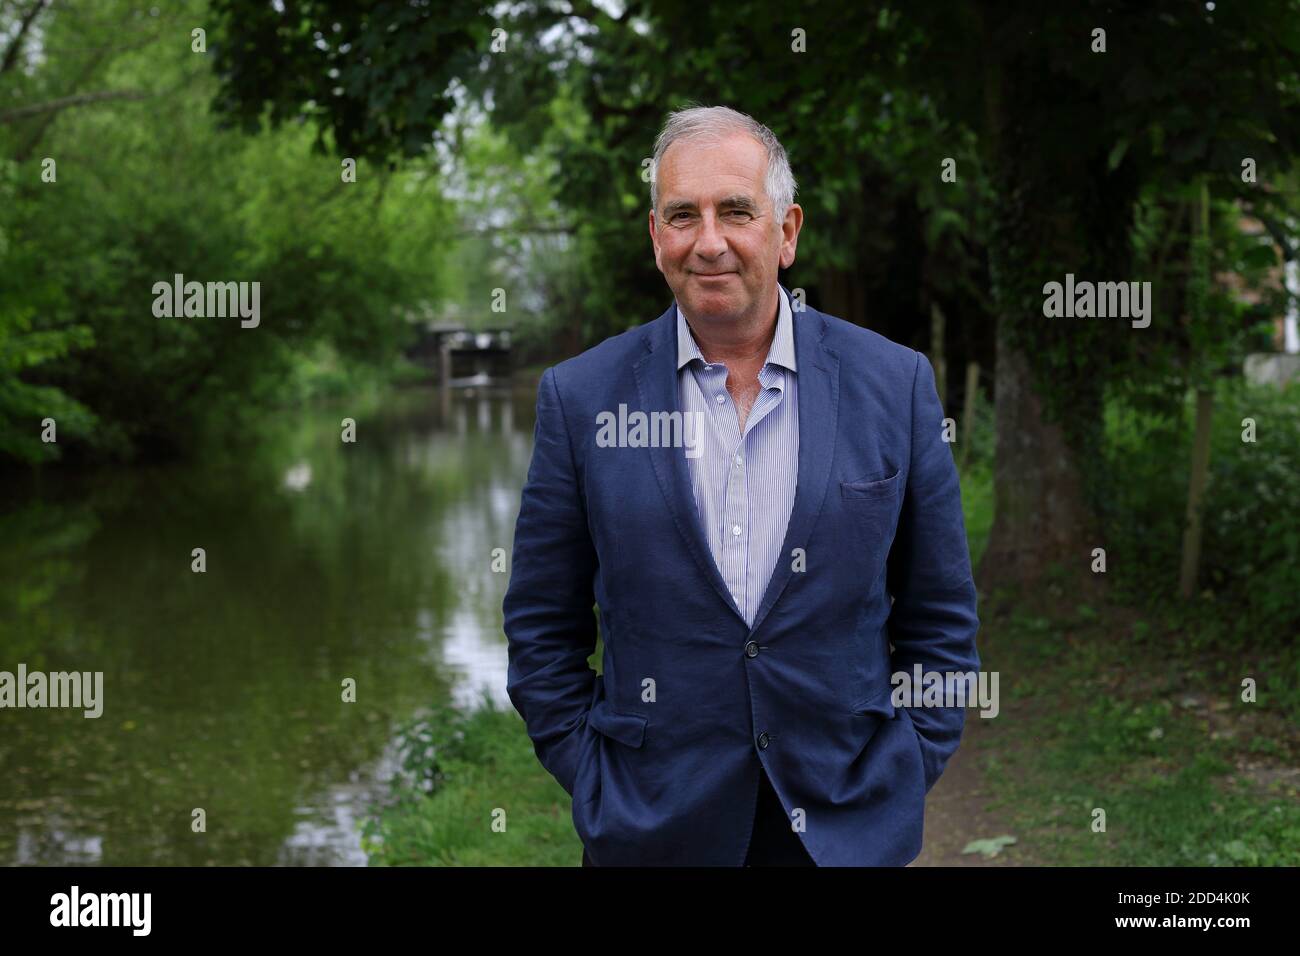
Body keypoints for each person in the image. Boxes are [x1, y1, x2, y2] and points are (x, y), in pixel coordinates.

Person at [504, 104, 980, 866]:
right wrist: (592, 777)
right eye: (683, 215)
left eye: (736, 211)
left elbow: (941, 620)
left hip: (845, 825)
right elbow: (541, 630)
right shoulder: (582, 398)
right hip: (654, 829)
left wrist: (907, 766)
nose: (710, 241)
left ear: (786, 232)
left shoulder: (894, 384)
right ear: (657, 237)